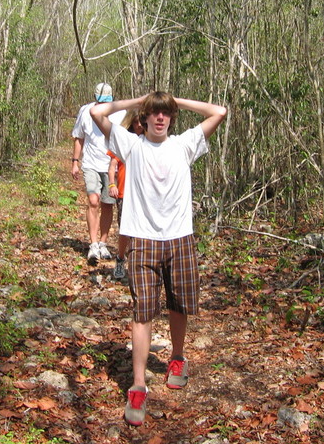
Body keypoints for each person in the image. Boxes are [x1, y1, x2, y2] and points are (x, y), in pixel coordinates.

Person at [90, 92, 227, 427]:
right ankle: (138, 386)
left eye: (166, 113)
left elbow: (219, 111)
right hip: (142, 240)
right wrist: (138, 99)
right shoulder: (131, 146)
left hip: (179, 238)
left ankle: (177, 358)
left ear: (172, 117)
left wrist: (176, 99)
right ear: (145, 117)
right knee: (143, 310)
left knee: (178, 304)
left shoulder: (184, 145)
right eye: (155, 113)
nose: (161, 118)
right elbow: (97, 111)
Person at [71, 83, 126, 264]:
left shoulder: (120, 113)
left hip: (111, 166)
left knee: (107, 204)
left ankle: (103, 242)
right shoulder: (85, 111)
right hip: (91, 164)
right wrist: (75, 162)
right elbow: (79, 137)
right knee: (93, 201)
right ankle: (93, 244)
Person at [106, 110, 144, 280]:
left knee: (142, 230)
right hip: (124, 193)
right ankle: (121, 259)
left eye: (142, 122)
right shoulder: (123, 142)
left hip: (143, 194)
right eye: (136, 122)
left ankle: (139, 263)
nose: (139, 126)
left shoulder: (150, 142)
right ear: (131, 123)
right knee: (125, 230)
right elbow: (112, 165)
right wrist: (112, 184)